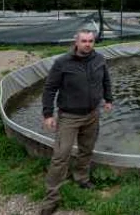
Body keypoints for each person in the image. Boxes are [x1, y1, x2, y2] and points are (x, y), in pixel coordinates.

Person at [40, 29, 113, 215]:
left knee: (86, 150)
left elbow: (106, 80)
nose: (87, 44)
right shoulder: (62, 63)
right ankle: (51, 198)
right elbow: (49, 89)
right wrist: (48, 114)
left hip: (92, 114)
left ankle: (81, 178)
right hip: (69, 117)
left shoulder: (100, 59)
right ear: (76, 42)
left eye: (90, 41)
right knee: (60, 156)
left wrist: (108, 99)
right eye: (84, 41)